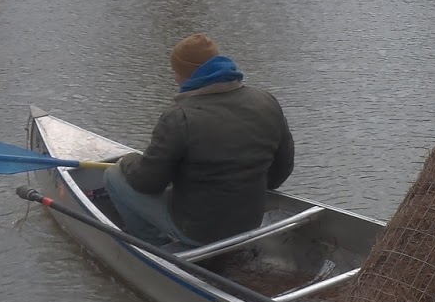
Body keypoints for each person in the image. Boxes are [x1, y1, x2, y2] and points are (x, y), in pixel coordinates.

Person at [103, 33, 294, 246]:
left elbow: (146, 183)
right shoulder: (266, 102)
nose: (175, 77)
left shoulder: (179, 118)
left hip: (197, 231)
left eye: (177, 71)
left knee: (112, 177)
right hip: (250, 222)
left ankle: (153, 245)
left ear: (187, 74)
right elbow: (280, 173)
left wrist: (127, 161)